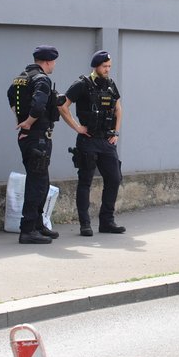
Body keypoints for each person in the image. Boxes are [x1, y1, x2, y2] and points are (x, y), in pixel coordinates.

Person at [59, 50, 126, 236]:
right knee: (85, 181)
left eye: (109, 66)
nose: (108, 70)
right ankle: (85, 224)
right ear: (96, 66)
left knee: (114, 178)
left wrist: (116, 132)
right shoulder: (82, 84)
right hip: (88, 141)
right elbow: (62, 105)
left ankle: (107, 222)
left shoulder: (111, 85)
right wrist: (77, 127)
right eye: (105, 66)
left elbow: (118, 108)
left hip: (106, 140)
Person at [7, 45, 63, 244]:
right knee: (36, 183)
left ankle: (39, 225)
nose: (54, 65)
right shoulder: (42, 79)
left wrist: (20, 121)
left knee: (42, 181)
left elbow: (10, 96)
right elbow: (39, 105)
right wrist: (29, 123)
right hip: (37, 136)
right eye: (54, 62)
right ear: (48, 61)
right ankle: (28, 229)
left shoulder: (22, 77)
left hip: (30, 136)